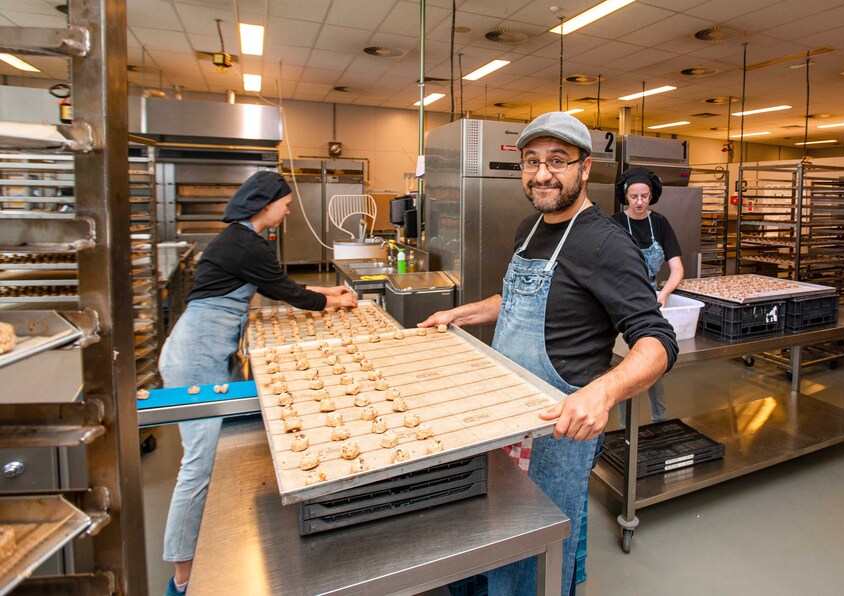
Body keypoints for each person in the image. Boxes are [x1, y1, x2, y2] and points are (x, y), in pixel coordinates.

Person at [418, 112, 678, 595]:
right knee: (496, 533)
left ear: (584, 168)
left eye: (557, 161)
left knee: (531, 558)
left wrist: (602, 394)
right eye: (531, 161)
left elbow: (658, 341)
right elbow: (517, 298)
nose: (541, 174)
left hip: (558, 429)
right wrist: (463, 313)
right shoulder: (530, 228)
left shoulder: (605, 243)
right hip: (506, 413)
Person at [159, 172, 357, 596]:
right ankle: (183, 577)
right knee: (197, 465)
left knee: (209, 457)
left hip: (206, 349)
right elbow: (288, 292)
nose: (287, 211)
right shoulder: (245, 243)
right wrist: (333, 301)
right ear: (265, 204)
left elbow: (279, 284)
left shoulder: (242, 240)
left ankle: (200, 552)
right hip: (196, 357)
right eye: (285, 204)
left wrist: (329, 290)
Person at [613, 167, 684, 424]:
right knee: (624, 366)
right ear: (625, 196)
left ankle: (660, 421)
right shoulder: (616, 223)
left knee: (654, 362)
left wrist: (663, 294)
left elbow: (677, 269)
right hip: (620, 301)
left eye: (645, 196)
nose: (640, 202)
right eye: (634, 197)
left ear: (651, 195)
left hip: (650, 300)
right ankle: (623, 428)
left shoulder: (660, 223)